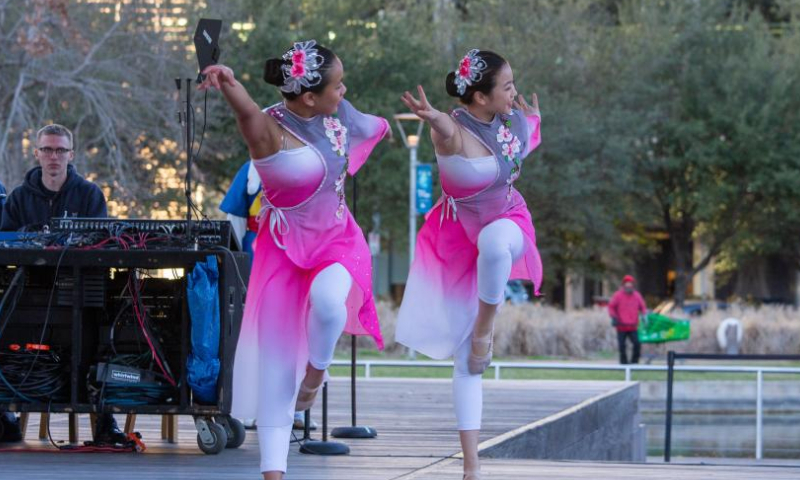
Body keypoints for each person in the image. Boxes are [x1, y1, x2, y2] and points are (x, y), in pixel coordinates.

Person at [199, 39, 388, 479]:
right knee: (275, 367)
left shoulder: (334, 114)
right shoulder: (268, 131)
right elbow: (246, 111)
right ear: (308, 96)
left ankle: (316, 372)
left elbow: (370, 126)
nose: (344, 93)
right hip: (282, 250)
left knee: (328, 302)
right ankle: (273, 472)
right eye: (338, 86)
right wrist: (227, 83)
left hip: (338, 239)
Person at [395, 49, 543, 480]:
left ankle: (485, 327)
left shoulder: (510, 119)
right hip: (458, 238)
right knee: (465, 363)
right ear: (479, 97)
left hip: (508, 222)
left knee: (496, 244)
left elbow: (526, 139)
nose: (514, 92)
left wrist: (534, 119)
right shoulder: (454, 131)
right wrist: (432, 116)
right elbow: (445, 127)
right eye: (507, 86)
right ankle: (471, 467)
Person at [0, 124, 121, 444]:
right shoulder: (19, 197)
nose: (54, 157)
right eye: (47, 150)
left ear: (71, 155)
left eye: (60, 150)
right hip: (29, 290)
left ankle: (104, 419)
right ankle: (5, 417)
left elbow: (99, 242)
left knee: (99, 334)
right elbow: (5, 242)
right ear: (37, 153)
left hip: (81, 289)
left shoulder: (89, 194)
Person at [219, 161, 316, 432]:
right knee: (258, 331)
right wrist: (238, 264)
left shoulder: (309, 161)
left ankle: (295, 406)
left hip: (299, 252)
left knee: (298, 330)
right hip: (259, 252)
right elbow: (235, 220)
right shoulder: (251, 169)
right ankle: (252, 405)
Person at [608, 275, 647, 364]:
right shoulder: (617, 295)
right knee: (622, 346)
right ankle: (623, 363)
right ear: (624, 285)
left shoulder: (637, 296)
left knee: (637, 344)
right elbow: (611, 307)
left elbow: (643, 307)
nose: (629, 287)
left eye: (630, 285)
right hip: (621, 326)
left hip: (633, 326)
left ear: (633, 286)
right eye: (627, 285)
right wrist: (613, 317)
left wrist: (644, 316)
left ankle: (634, 362)